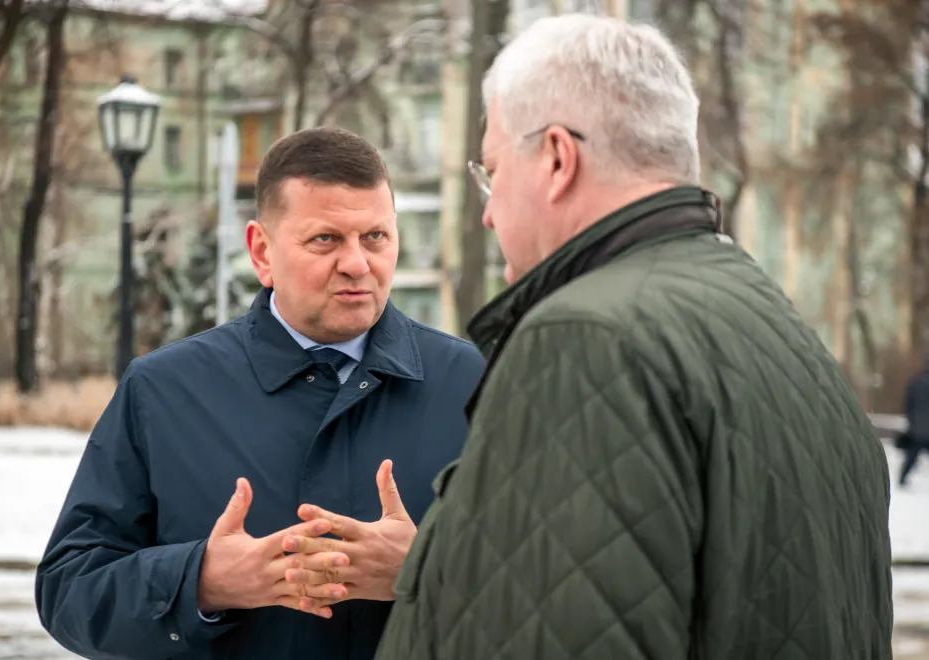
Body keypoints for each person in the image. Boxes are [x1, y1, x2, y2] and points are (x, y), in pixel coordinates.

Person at [376, 14, 893, 660]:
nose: (486, 210)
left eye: (492, 172)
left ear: (558, 159)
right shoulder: (782, 335)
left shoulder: (585, 343)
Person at [35, 127, 485, 660]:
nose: (357, 264)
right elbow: (69, 591)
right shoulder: (162, 391)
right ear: (261, 251)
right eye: (326, 239)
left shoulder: (474, 382)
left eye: (375, 237)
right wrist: (200, 581)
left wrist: (432, 570)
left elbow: (560, 580)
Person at [900, 358, 929, 486]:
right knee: (913, 453)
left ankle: (902, 478)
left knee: (912, 454)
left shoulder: (915, 381)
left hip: (918, 426)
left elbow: (908, 403)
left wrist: (911, 419)